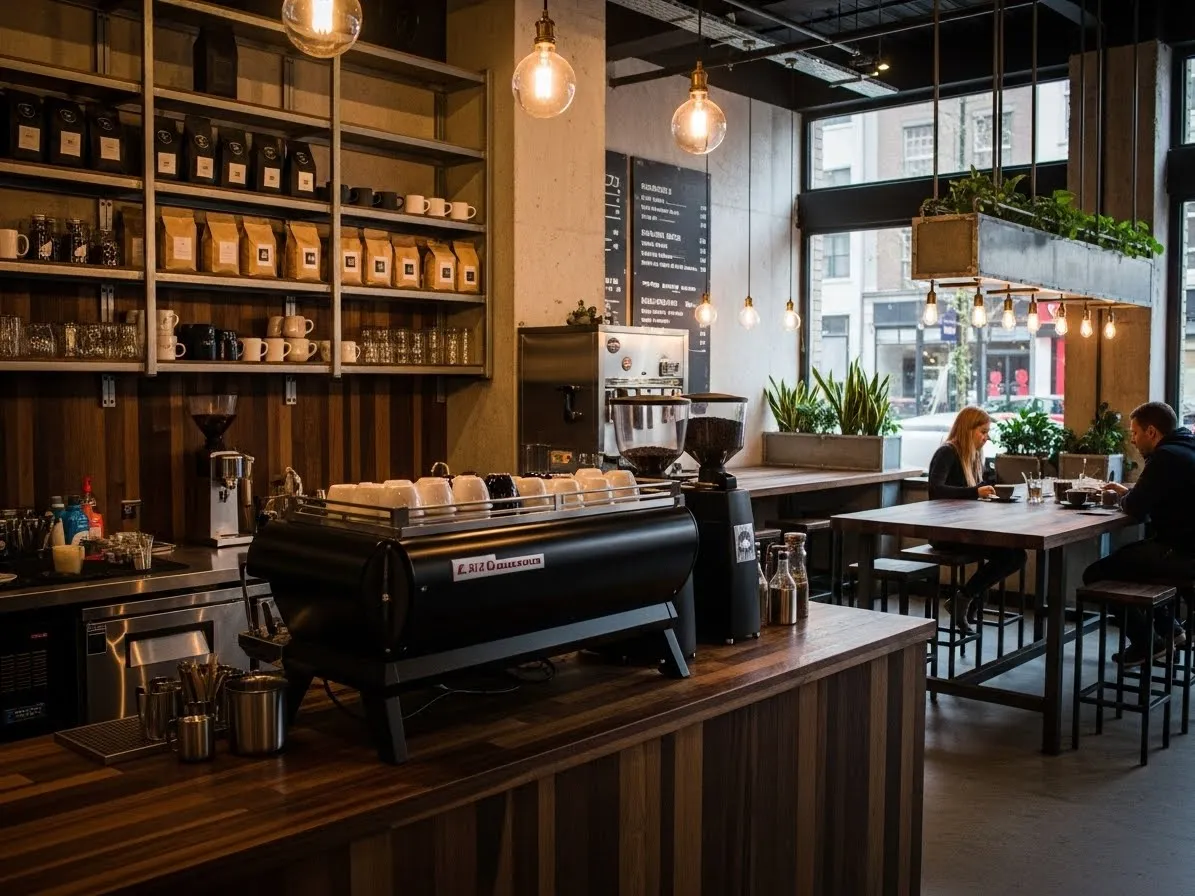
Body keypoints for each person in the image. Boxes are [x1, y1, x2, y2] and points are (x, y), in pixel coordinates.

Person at [1083, 401, 1195, 667]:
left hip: (1181, 553)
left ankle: (1148, 643)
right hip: (1187, 548)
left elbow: (1136, 508)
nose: (1132, 439)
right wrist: (1127, 493)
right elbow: (1148, 500)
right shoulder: (1187, 448)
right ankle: (1172, 629)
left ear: (1152, 432)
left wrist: (1120, 497)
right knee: (1131, 561)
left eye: (1135, 432)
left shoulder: (1165, 457)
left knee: (1097, 573)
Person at [927, 406, 1027, 636]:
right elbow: (936, 490)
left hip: (965, 530)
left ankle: (965, 598)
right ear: (967, 429)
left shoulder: (972, 457)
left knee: (1017, 554)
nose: (987, 437)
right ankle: (966, 599)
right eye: (983, 431)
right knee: (1012, 555)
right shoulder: (947, 452)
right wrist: (975, 492)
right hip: (945, 533)